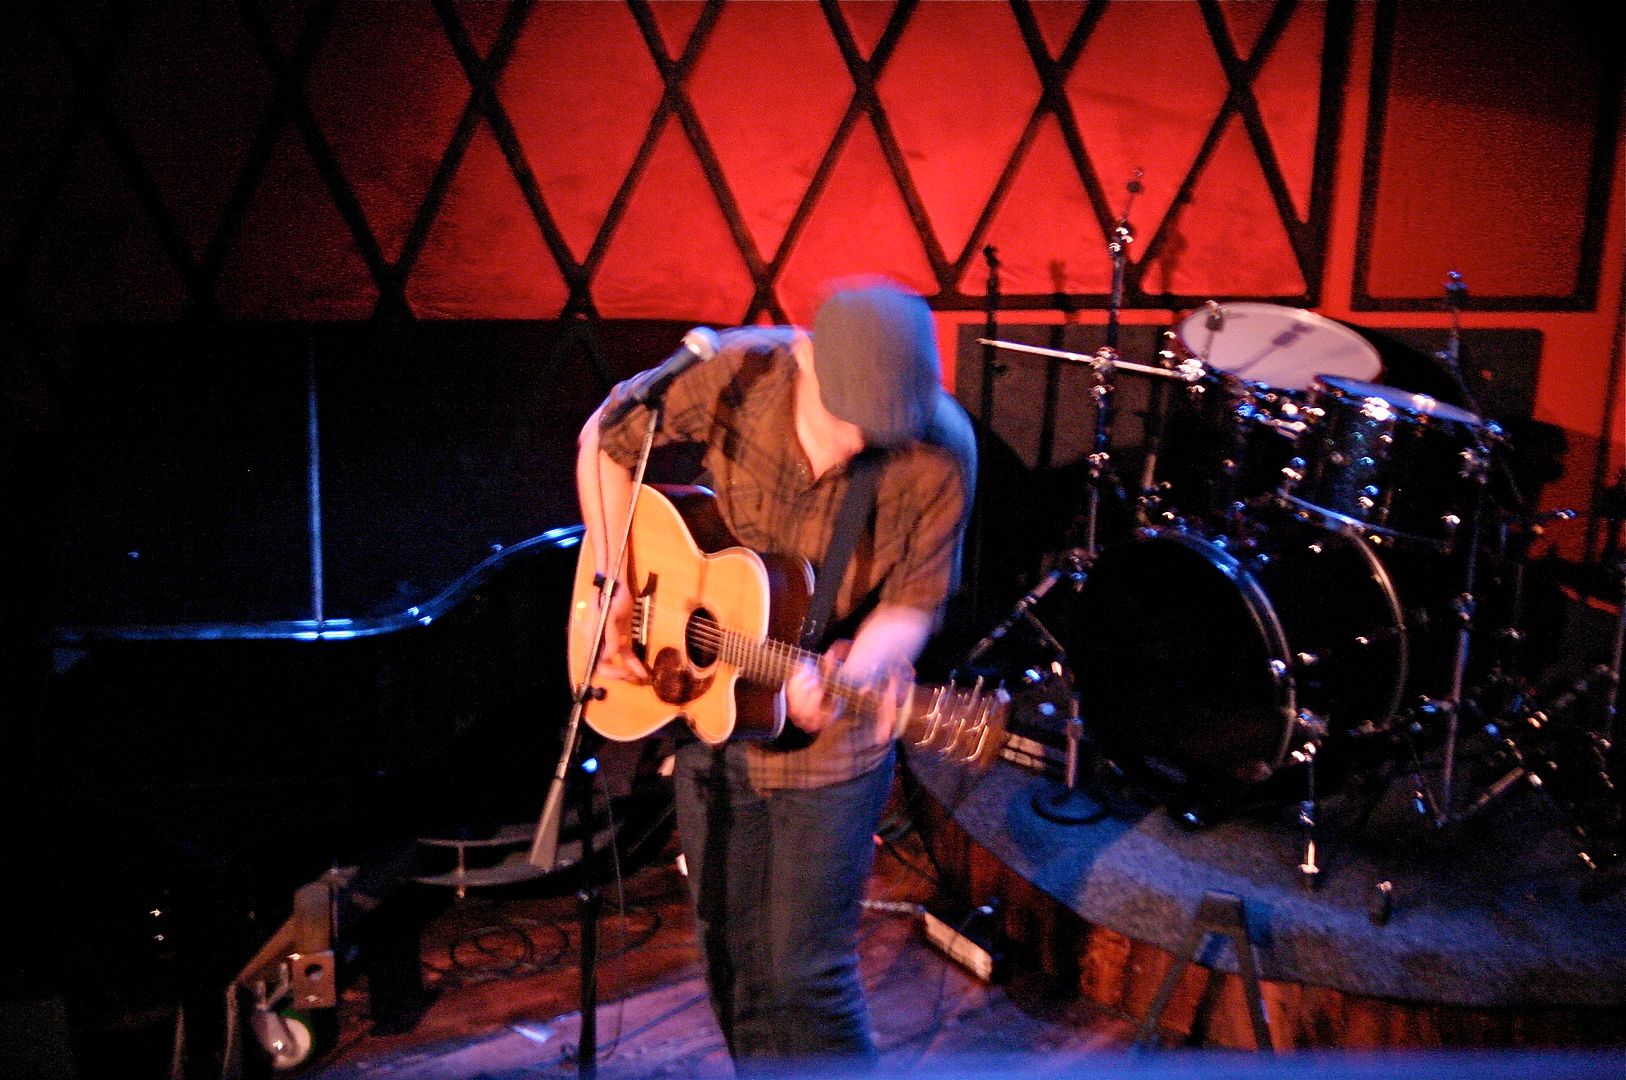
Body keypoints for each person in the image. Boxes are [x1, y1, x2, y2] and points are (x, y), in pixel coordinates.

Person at [575, 280, 975, 1071]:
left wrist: (863, 666)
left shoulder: (941, 450)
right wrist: (613, 580)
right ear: (805, 359)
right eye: (846, 417)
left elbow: (917, 599)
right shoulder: (737, 374)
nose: (858, 444)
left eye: (881, 427)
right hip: (708, 707)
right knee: (728, 958)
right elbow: (605, 441)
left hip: (833, 748)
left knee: (805, 978)